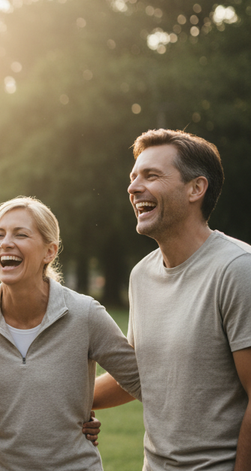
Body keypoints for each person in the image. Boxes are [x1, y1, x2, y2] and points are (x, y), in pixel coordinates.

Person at [93, 129, 251, 470]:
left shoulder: (238, 269)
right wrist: (65, 401)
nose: (133, 188)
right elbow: (142, 374)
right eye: (133, 177)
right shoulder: (141, 275)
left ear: (196, 188)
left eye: (151, 175)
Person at [0, 196, 140, 469]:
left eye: (20, 234)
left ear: (49, 252)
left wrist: (63, 419)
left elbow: (142, 381)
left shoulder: (84, 314)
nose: (5, 242)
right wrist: (9, 429)